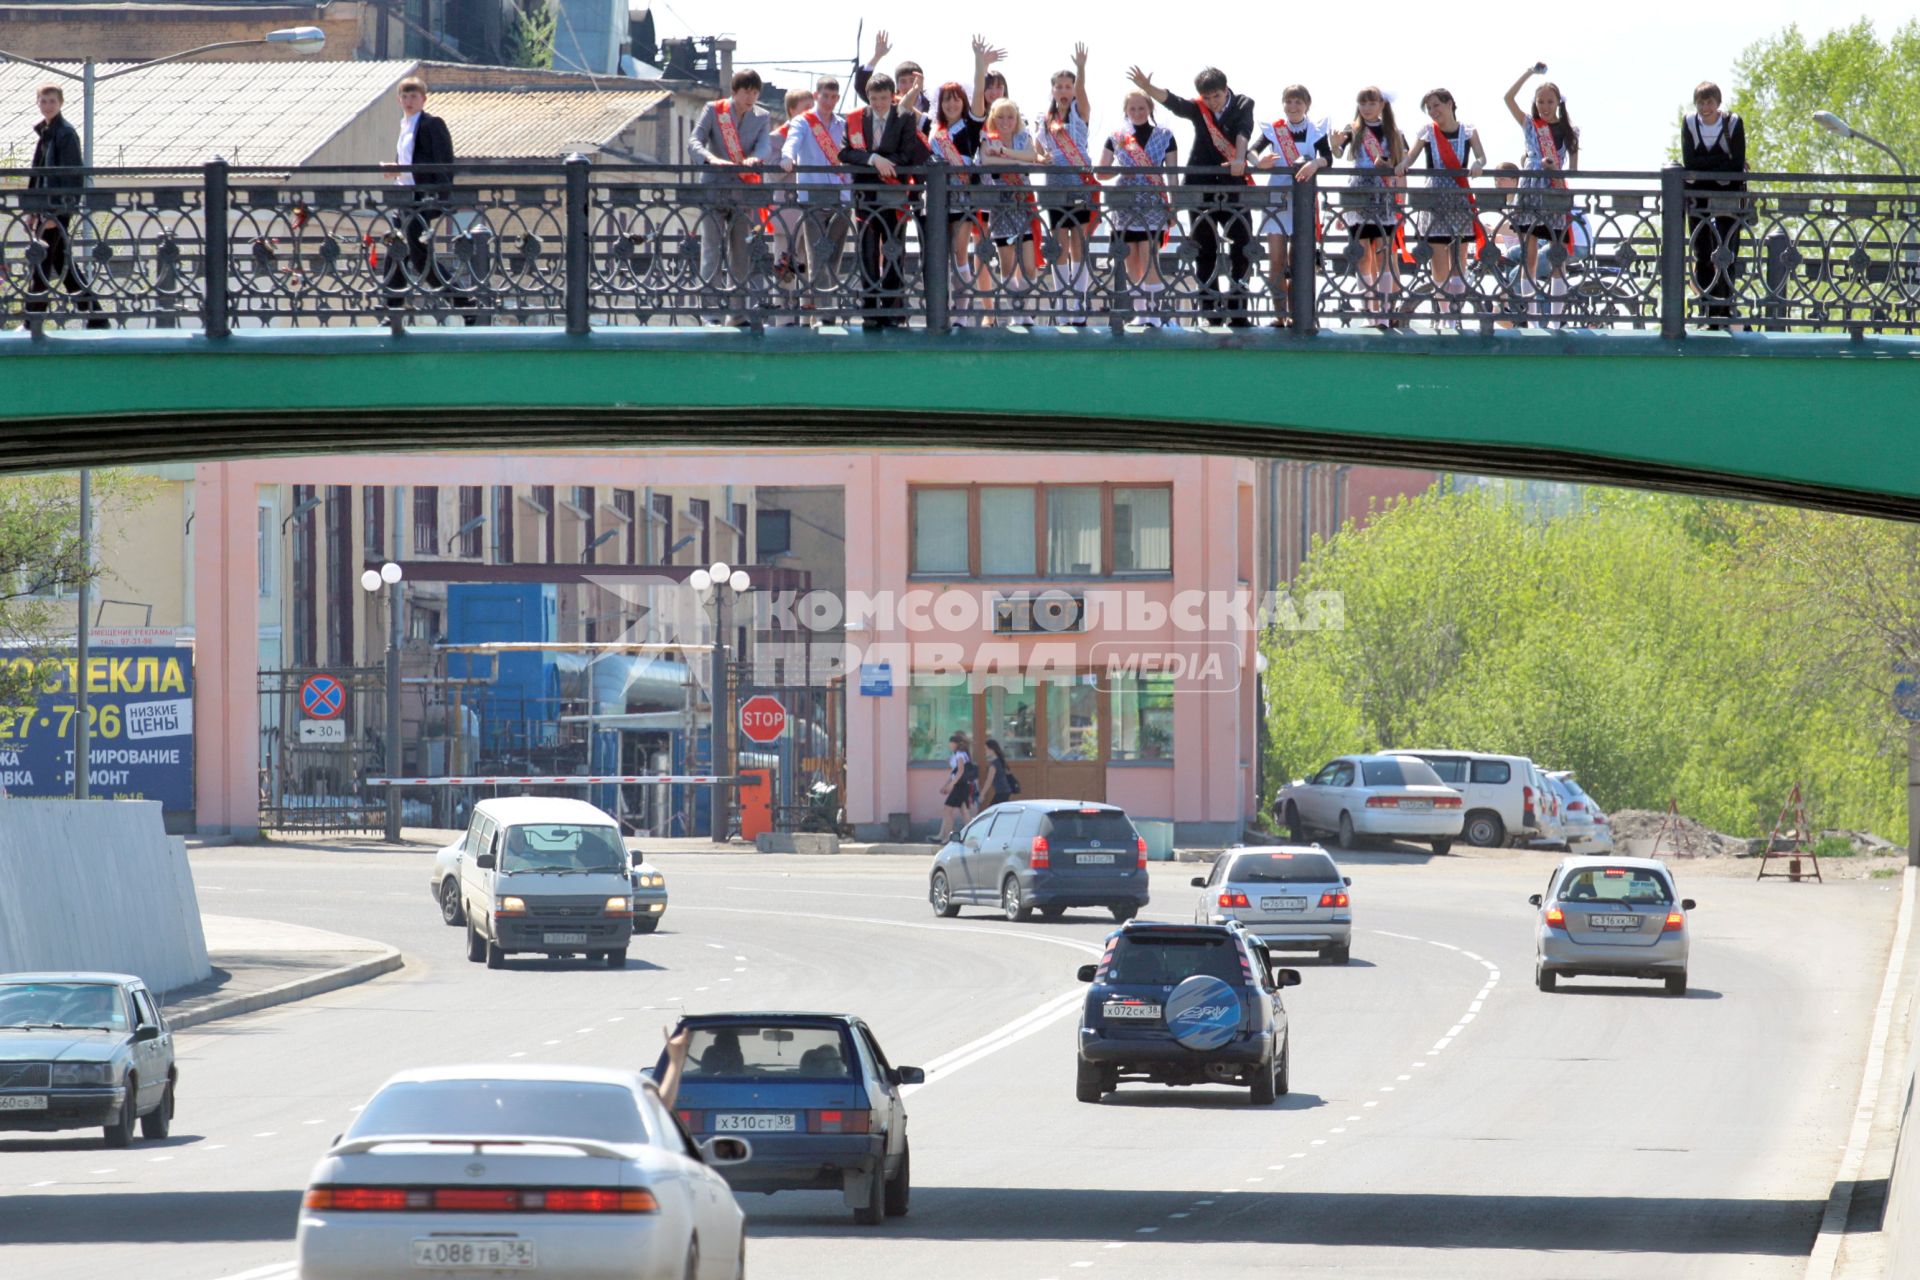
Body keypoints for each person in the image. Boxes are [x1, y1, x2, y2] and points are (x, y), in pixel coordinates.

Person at [1128, 65, 1255, 327]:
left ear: (1225, 89)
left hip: (1234, 186)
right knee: (1203, 250)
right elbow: (1175, 103)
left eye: (1216, 96)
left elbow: (1244, 131)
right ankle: (1210, 314)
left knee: (1242, 247)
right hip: (1200, 187)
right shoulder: (1200, 108)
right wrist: (1148, 88)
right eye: (1206, 97)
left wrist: (1240, 159)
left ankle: (1238, 311)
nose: (1211, 102)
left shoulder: (1243, 103)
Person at [838, 73, 932, 330]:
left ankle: (893, 308)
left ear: (892, 97)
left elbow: (908, 153)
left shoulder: (903, 117)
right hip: (866, 195)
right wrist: (872, 160)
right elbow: (845, 152)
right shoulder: (857, 118)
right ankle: (870, 309)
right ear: (868, 98)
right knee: (867, 250)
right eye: (873, 98)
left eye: (883, 98)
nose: (878, 103)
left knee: (894, 249)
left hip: (895, 193)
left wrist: (884, 161)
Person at [688, 69, 777, 325]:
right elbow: (695, 140)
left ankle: (736, 314)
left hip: (743, 191)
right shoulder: (714, 110)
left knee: (741, 254)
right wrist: (710, 158)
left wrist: (755, 158)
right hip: (714, 189)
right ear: (734, 92)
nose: (751, 97)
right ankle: (710, 314)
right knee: (711, 252)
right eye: (746, 91)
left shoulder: (762, 115)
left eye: (755, 92)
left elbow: (764, 146)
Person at [380, 77, 474, 319]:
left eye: (414, 96)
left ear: (423, 99)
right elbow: (407, 162)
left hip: (423, 199)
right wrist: (396, 169)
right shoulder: (404, 125)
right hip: (405, 198)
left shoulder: (432, 124)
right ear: (399, 100)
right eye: (405, 96)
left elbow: (441, 163)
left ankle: (463, 302)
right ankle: (393, 305)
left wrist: (402, 169)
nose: (409, 101)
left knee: (419, 258)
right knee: (396, 248)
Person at [1397, 88, 1487, 329]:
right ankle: (1445, 314)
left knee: (1459, 261)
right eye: (1430, 108)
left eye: (1437, 105)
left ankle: (1455, 315)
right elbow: (1411, 157)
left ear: (1450, 104)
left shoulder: (1468, 131)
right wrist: (1402, 164)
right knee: (1439, 264)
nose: (1434, 112)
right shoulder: (1428, 132)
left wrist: (1478, 164)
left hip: (1459, 197)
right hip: (1435, 199)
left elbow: (1481, 157)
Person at [24, 83, 106, 328]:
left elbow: (71, 176)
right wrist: (32, 208)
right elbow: (38, 174)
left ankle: (33, 319)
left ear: (60, 103)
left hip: (57, 209)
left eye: (52, 101)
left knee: (42, 260)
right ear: (37, 103)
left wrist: (56, 212)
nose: (47, 105)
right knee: (61, 263)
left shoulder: (65, 133)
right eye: (43, 100)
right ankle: (94, 315)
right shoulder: (48, 132)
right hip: (47, 208)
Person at [1503, 64, 1579, 325]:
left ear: (1558, 102)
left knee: (1558, 254)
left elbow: (1574, 171)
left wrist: (1555, 170)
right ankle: (1533, 319)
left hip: (1555, 192)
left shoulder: (1570, 131)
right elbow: (1507, 98)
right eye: (1540, 101)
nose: (1545, 106)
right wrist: (1528, 73)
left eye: (1550, 101)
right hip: (1529, 189)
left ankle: (1557, 320)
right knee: (1529, 253)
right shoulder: (1529, 125)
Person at [1250, 84, 1331, 328]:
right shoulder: (1274, 130)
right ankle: (1279, 314)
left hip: (1302, 199)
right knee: (1275, 260)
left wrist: (1315, 164)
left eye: (1298, 102)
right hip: (1276, 198)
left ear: (1307, 104)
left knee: (1300, 260)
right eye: (1289, 102)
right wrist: (1258, 162)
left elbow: (1328, 157)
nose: (1293, 107)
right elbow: (1253, 151)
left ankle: (1299, 313)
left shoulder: (1316, 130)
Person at [1330, 87, 1407, 325]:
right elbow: (1339, 152)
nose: (1366, 108)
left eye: (1371, 103)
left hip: (1383, 195)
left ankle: (1383, 311)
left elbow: (1404, 160)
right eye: (1362, 103)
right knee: (1362, 255)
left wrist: (1388, 163)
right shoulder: (1351, 129)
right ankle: (1369, 311)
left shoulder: (1394, 132)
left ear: (1382, 105)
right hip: (1358, 194)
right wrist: (1333, 144)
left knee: (1384, 253)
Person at [1101, 90, 1178, 326]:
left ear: (1150, 109)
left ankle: (1154, 313)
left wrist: (1173, 206)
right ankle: (1140, 312)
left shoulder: (1166, 135)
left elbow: (1172, 174)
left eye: (1141, 108)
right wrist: (1122, 170)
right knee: (1131, 260)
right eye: (1132, 108)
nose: (1137, 112)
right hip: (1124, 205)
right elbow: (1102, 171)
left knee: (1150, 257)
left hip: (1154, 203)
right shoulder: (1116, 137)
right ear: (1126, 111)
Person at [782, 76, 852, 326]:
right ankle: (825, 314)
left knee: (834, 254)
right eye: (826, 96)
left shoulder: (843, 125)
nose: (830, 101)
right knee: (816, 255)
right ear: (816, 95)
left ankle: (824, 308)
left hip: (842, 196)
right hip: (812, 196)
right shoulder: (803, 122)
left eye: (834, 97)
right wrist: (787, 157)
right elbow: (792, 142)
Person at [1036, 45, 1098, 324]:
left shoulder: (1079, 112)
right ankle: (1063, 304)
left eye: (1067, 86)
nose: (1063, 90)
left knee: (1080, 242)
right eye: (1059, 86)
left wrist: (1082, 68)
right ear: (1052, 90)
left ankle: (1079, 302)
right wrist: (1041, 157)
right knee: (1060, 242)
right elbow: (1036, 150)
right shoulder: (1044, 120)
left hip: (1079, 181)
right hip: (1055, 183)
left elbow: (1084, 94)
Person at [1680, 81, 1748, 330]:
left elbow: (1736, 162)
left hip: (1729, 195)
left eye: (1709, 102)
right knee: (1702, 252)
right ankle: (1708, 311)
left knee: (1727, 252)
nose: (1705, 107)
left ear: (1718, 103)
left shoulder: (1733, 123)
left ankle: (1725, 309)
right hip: (1699, 197)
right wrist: (1721, 162)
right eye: (1700, 102)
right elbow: (1690, 161)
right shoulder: (1689, 123)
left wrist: (1704, 166)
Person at [978, 98, 1047, 321]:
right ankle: (1017, 313)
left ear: (1016, 119)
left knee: (1028, 265)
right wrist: (1018, 161)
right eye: (1000, 117)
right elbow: (986, 161)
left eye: (1010, 116)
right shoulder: (987, 138)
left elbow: (1032, 158)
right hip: (1000, 206)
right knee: (1007, 265)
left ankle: (1023, 309)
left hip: (1023, 203)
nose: (1006, 121)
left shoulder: (1023, 137)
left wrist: (1006, 154)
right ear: (993, 119)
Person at [925, 81, 984, 322]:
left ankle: (962, 312)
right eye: (946, 99)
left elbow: (979, 101)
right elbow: (905, 110)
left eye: (956, 98)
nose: (951, 104)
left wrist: (980, 64)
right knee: (941, 254)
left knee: (960, 252)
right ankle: (942, 310)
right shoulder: (932, 128)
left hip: (963, 197)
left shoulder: (969, 126)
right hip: (939, 199)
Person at [854, 29, 930, 117]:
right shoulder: (888, 101)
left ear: (920, 82)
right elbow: (861, 86)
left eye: (912, 80)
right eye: (903, 81)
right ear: (896, 85)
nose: (908, 85)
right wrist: (877, 56)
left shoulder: (932, 103)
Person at [933, 730, 976, 842]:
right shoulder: (958, 754)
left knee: (947, 810)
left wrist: (951, 785)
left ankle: (948, 836)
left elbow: (960, 771)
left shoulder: (960, 754)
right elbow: (955, 772)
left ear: (956, 743)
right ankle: (972, 835)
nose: (949, 745)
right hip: (960, 785)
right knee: (964, 811)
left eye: (951, 742)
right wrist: (947, 784)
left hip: (960, 786)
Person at [980, 737, 1016, 807]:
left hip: (1002, 791)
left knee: (992, 810)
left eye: (986, 749)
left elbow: (989, 781)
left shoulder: (994, 765)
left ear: (992, 750)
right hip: (1004, 791)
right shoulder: (999, 760)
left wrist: (982, 794)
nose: (985, 751)